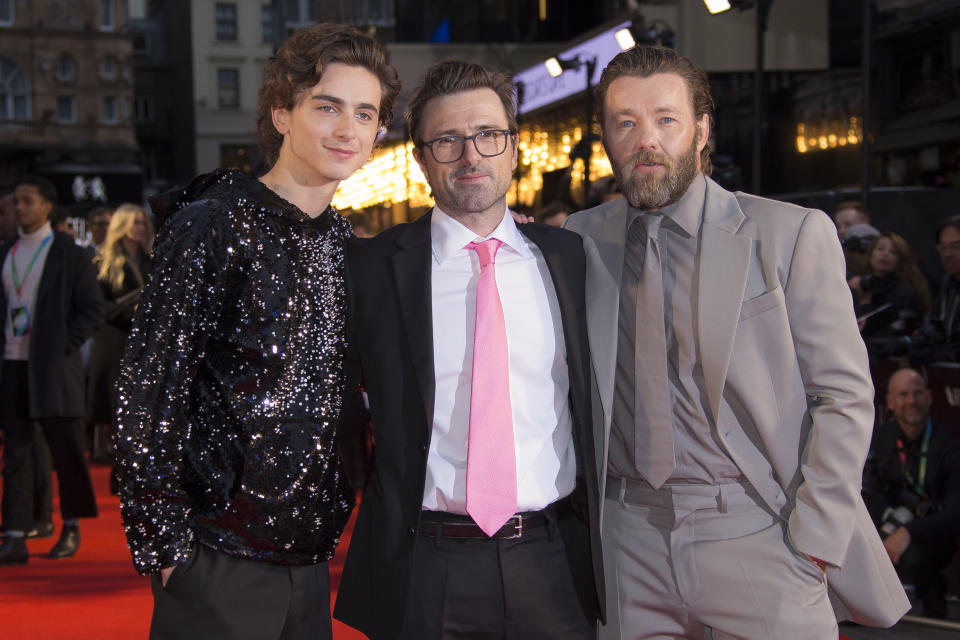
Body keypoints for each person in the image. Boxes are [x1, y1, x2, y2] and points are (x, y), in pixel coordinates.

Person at [563, 45, 908, 638]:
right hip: (624, 539)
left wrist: (815, 537)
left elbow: (844, 395)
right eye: (626, 122)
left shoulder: (788, 233)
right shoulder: (580, 239)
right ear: (605, 136)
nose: (646, 139)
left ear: (701, 129)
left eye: (665, 119)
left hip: (758, 525)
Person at [114, 23, 399, 639]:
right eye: (327, 107)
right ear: (281, 114)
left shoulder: (343, 244)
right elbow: (150, 388)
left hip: (311, 558)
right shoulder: (213, 223)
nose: (347, 129)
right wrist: (164, 543)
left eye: (365, 113)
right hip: (216, 557)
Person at [334, 60, 604, 639]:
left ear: (512, 147)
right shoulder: (370, 271)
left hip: (557, 559)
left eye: (487, 135)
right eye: (447, 140)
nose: (470, 155)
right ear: (421, 159)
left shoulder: (572, 259)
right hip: (426, 566)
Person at [0, 175, 103, 565]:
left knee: (67, 453)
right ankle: (14, 535)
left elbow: (91, 309)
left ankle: (71, 526)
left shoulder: (69, 253)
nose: (18, 208)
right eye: (15, 202)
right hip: (12, 367)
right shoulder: (6, 252)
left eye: (27, 201)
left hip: (55, 370)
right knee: (16, 456)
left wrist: (62, 345)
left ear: (46, 206)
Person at [863, 368, 960, 618]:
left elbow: (954, 513)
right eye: (903, 394)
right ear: (890, 402)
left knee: (917, 555)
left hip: (928, 535)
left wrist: (908, 532)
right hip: (884, 526)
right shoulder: (877, 440)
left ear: (929, 397)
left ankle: (931, 591)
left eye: (917, 393)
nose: (911, 401)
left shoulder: (949, 445)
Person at [86, 204, 153, 469]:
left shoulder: (151, 260)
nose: (139, 227)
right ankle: (107, 448)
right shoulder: (103, 262)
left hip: (142, 338)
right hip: (113, 338)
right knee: (111, 394)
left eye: (142, 222)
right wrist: (129, 310)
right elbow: (98, 305)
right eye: (134, 222)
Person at [849, 231, 929, 341]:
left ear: (900, 260)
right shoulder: (861, 285)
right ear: (871, 254)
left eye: (893, 252)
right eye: (880, 249)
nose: (885, 254)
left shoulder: (904, 292)